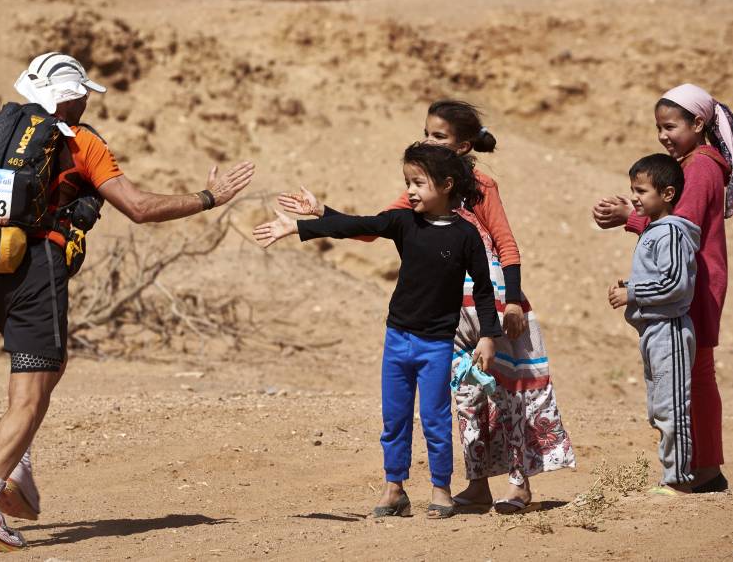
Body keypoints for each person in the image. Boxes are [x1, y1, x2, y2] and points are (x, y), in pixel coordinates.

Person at [0, 52, 255, 552]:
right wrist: (208, 198)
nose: (84, 103)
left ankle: (18, 474)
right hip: (37, 273)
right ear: (68, 96)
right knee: (32, 391)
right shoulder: (81, 142)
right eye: (81, 94)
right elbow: (139, 208)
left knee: (41, 371)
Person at [278, 100, 574, 513]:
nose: (428, 140)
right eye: (427, 133)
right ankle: (476, 486)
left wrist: (511, 303)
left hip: (490, 304)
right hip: (449, 312)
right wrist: (321, 214)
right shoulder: (420, 192)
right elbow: (373, 227)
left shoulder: (481, 186)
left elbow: (506, 244)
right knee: (468, 395)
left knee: (509, 392)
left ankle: (519, 485)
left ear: (464, 145)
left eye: (439, 136)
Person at [254, 142, 502, 518]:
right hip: (398, 338)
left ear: (447, 184)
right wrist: (304, 224)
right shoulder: (404, 221)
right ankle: (394, 489)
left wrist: (488, 336)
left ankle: (441, 490)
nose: (410, 191)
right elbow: (359, 225)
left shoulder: (466, 235)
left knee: (435, 420)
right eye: (407, 182)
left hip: (436, 345)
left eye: (418, 183)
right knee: (395, 418)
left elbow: (483, 289)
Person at [593, 84, 732, 493]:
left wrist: (628, 217)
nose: (663, 135)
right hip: (693, 283)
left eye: (670, 126)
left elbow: (680, 232)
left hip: (694, 286)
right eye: (659, 127)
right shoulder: (693, 163)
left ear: (698, 123)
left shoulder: (701, 166)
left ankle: (693, 472)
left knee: (693, 378)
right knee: (697, 375)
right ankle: (705, 468)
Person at [608, 154, 699, 490]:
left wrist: (634, 292)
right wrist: (631, 287)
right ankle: (671, 476)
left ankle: (678, 480)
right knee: (659, 407)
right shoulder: (656, 231)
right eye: (633, 189)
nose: (634, 197)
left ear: (668, 194)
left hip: (670, 330)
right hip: (653, 331)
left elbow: (676, 283)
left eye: (642, 190)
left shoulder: (671, 233)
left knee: (672, 406)